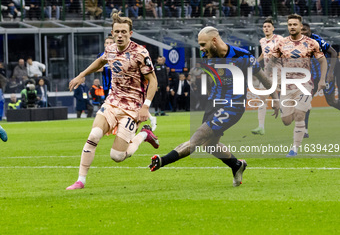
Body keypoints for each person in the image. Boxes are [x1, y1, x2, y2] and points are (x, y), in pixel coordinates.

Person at [149, 26, 279, 187]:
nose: (201, 49)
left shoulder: (242, 56)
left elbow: (263, 78)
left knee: (196, 139)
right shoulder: (207, 56)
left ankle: (162, 160)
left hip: (233, 106)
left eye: (203, 44)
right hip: (213, 104)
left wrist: (276, 99)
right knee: (209, 145)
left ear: (215, 41)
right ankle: (237, 165)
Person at [66, 13, 159, 190]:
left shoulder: (140, 53)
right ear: (112, 32)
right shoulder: (110, 49)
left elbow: (153, 81)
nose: (120, 35)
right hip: (111, 103)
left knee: (117, 156)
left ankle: (144, 135)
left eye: (124, 31)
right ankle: (81, 180)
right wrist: (81, 75)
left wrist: (145, 107)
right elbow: (100, 61)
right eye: (117, 32)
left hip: (132, 108)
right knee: (93, 135)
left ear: (130, 33)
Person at [270, 14, 327, 157]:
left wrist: (322, 80)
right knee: (286, 121)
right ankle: (302, 107)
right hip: (286, 86)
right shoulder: (281, 43)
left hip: (305, 84)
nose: (292, 27)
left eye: (295, 24)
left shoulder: (311, 43)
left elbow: (323, 61)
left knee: (300, 115)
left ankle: (294, 149)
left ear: (301, 26)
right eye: (290, 25)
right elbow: (271, 62)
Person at [301, 23, 339, 138]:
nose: (303, 32)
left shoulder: (316, 39)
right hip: (311, 77)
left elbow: (333, 52)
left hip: (325, 74)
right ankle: (304, 130)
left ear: (310, 30)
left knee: (331, 101)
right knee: (305, 102)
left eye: (305, 30)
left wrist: (331, 72)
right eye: (301, 30)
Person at [251, 18, 283, 135]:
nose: (266, 28)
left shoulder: (279, 39)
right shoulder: (262, 41)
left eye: (269, 26)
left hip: (278, 72)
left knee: (279, 99)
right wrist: (255, 61)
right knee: (262, 98)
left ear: (273, 28)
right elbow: (263, 54)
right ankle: (261, 127)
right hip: (266, 73)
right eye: (264, 26)